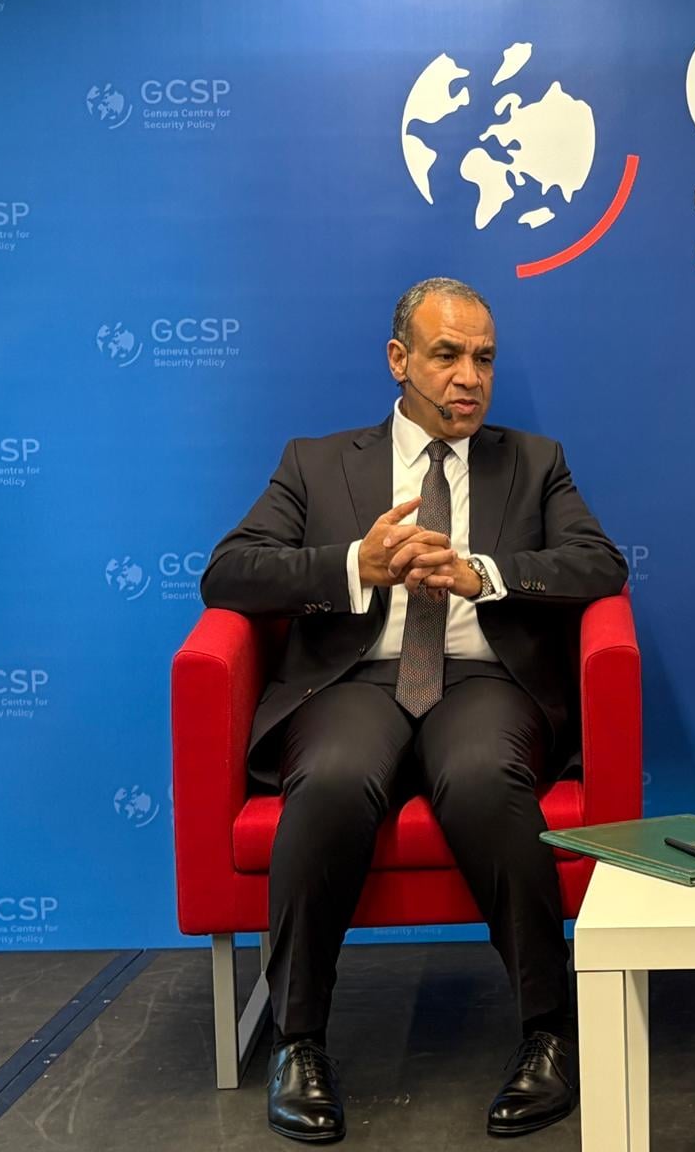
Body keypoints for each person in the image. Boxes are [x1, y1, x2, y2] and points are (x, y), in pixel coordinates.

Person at [200, 277, 627, 1143]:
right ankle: (298, 1041)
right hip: (356, 680)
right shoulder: (317, 462)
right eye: (447, 355)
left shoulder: (533, 462)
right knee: (330, 780)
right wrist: (353, 564)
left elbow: (600, 564)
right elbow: (229, 572)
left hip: (480, 680)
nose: (470, 377)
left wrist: (485, 575)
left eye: (484, 359)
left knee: (485, 779)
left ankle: (550, 1032)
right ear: (399, 360)